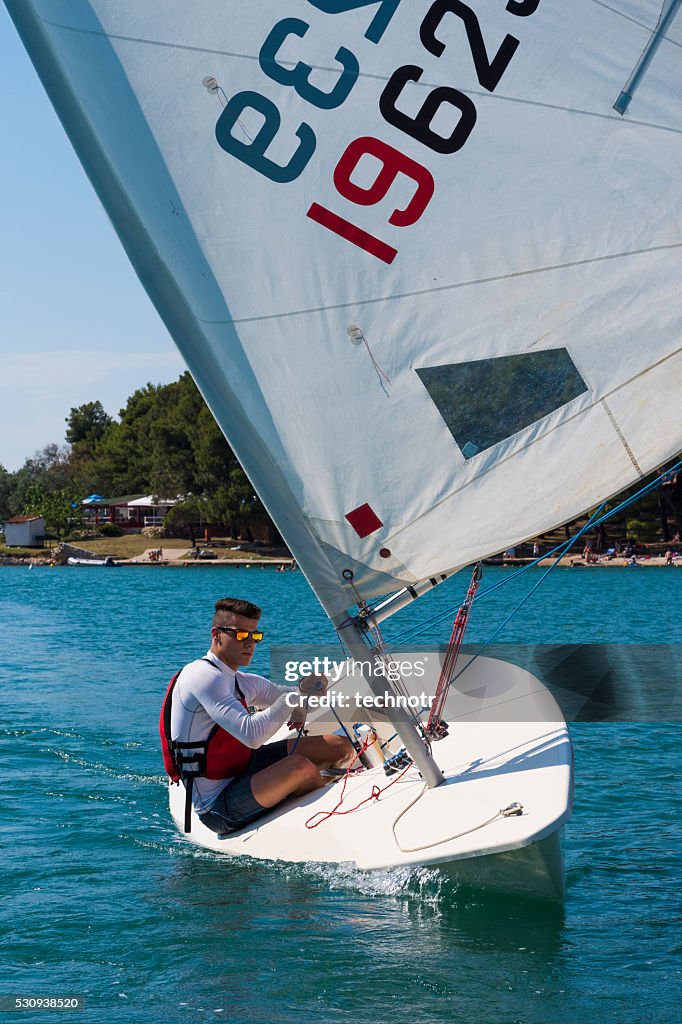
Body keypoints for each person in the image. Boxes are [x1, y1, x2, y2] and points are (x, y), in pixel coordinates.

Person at [162, 597, 353, 835]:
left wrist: (312, 690)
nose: (250, 643)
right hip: (217, 806)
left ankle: (316, 785)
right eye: (241, 635)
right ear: (216, 634)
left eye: (255, 636)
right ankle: (326, 807)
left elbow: (289, 696)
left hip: (245, 767)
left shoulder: (239, 680)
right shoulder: (202, 676)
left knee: (340, 746)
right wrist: (296, 699)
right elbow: (252, 736)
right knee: (300, 767)